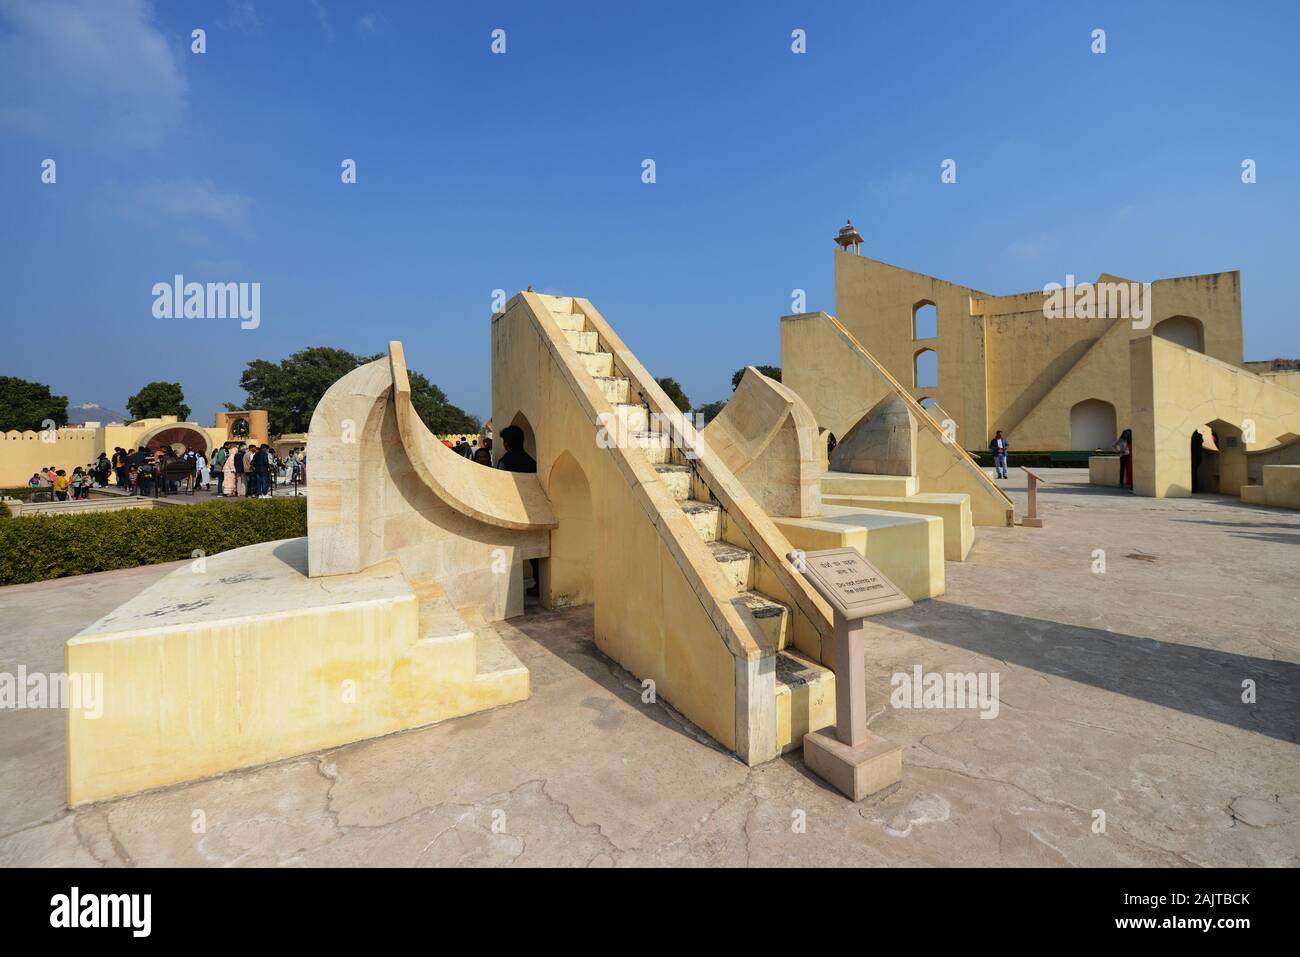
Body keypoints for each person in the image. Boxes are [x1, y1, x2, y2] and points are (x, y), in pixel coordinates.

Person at [497, 425, 540, 596]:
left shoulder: (505, 462)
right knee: (535, 554)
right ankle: (539, 584)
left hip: (511, 512)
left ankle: (510, 592)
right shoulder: (531, 462)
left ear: (507, 443)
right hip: (532, 512)